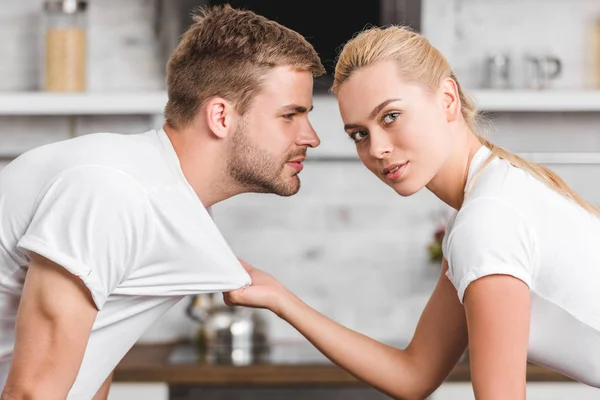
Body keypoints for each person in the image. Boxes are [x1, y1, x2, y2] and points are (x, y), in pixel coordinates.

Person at [224, 25, 600, 399]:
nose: (377, 149)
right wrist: (279, 298)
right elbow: (414, 373)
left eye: (390, 116)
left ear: (448, 99)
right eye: (359, 134)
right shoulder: (483, 203)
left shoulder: (488, 221)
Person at [0, 5, 325, 399]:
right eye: (290, 115)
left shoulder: (160, 192)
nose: (311, 137)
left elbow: (91, 359)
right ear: (221, 116)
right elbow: (32, 393)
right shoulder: (112, 192)